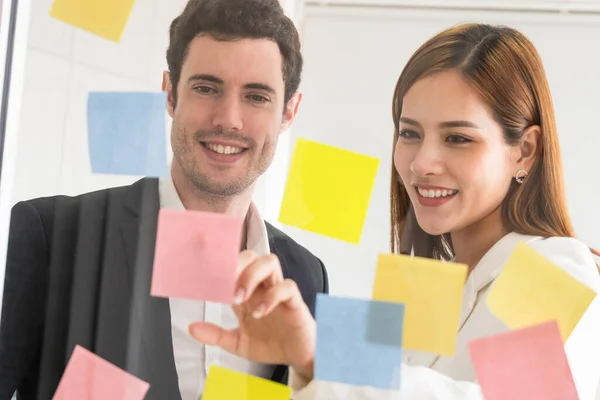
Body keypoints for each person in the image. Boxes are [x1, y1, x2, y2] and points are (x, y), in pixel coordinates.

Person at [189, 23, 600, 399]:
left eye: (457, 138)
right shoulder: (418, 284)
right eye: (409, 133)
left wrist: (319, 356)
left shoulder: (556, 266)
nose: (422, 162)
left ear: (524, 150)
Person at [0, 0, 329, 399]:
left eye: (256, 96)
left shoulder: (309, 277)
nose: (229, 118)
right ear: (170, 94)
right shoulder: (54, 234)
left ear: (289, 112)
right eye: (206, 88)